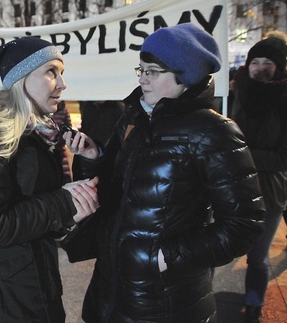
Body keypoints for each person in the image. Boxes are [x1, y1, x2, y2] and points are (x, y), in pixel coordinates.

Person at [69, 23, 266, 322]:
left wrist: (167, 257)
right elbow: (113, 189)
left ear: (185, 76)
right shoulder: (133, 117)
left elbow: (244, 224)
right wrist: (94, 158)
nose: (143, 80)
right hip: (111, 288)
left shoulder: (214, 131)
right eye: (141, 70)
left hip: (167, 300)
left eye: (153, 71)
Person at [0, 37, 100, 322]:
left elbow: (43, 212)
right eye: (51, 72)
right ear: (22, 77)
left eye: (61, 74)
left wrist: (87, 163)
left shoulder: (37, 134)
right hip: (3, 300)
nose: (62, 84)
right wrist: (63, 203)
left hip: (38, 289)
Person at [229, 34, 287, 323]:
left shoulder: (283, 101)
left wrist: (242, 153)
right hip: (230, 188)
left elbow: (282, 158)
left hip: (268, 192)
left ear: (279, 68)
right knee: (217, 245)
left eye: (268, 63)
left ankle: (254, 304)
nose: (260, 67)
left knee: (258, 257)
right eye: (255, 61)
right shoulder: (235, 94)